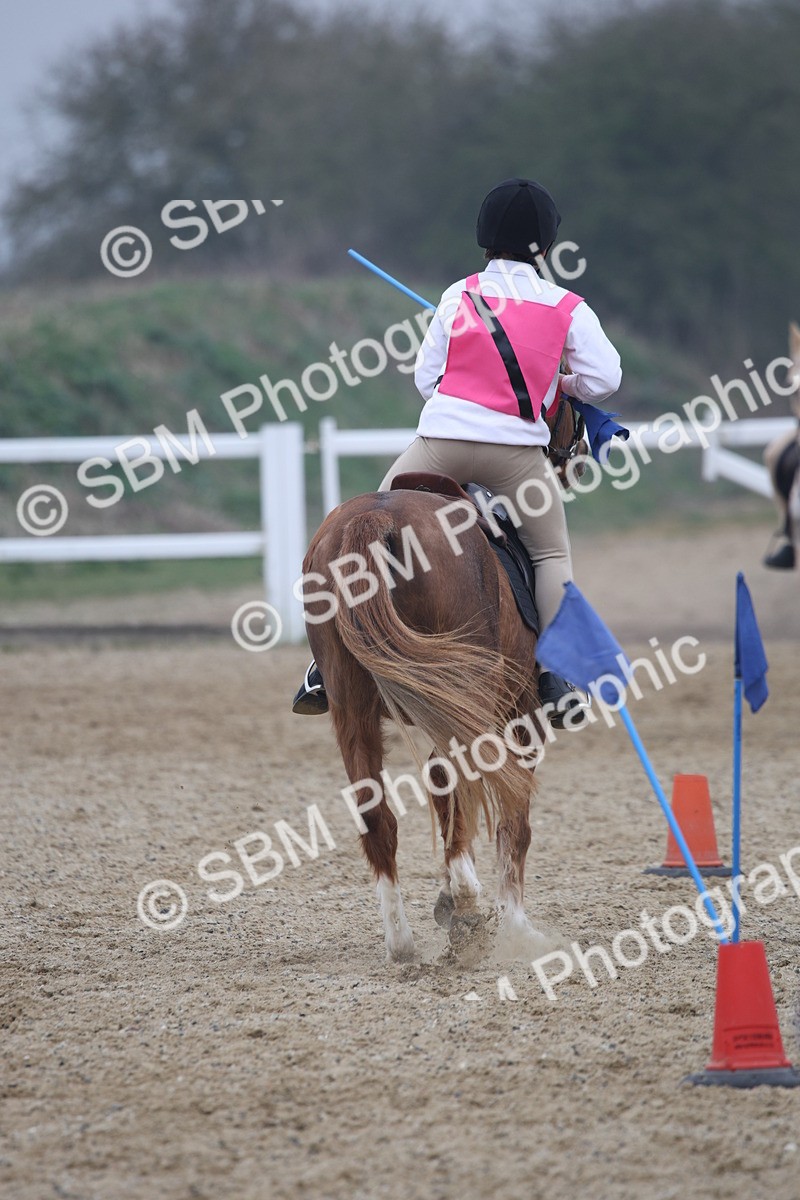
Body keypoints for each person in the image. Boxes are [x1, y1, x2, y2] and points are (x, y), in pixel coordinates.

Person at [293, 177, 622, 724]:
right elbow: (605, 378)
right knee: (551, 556)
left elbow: (428, 378)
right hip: (516, 456)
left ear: (484, 237)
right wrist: (558, 384)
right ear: (546, 243)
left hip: (440, 444)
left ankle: (320, 665)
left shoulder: (458, 294)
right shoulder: (567, 305)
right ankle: (553, 677)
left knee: (368, 525)